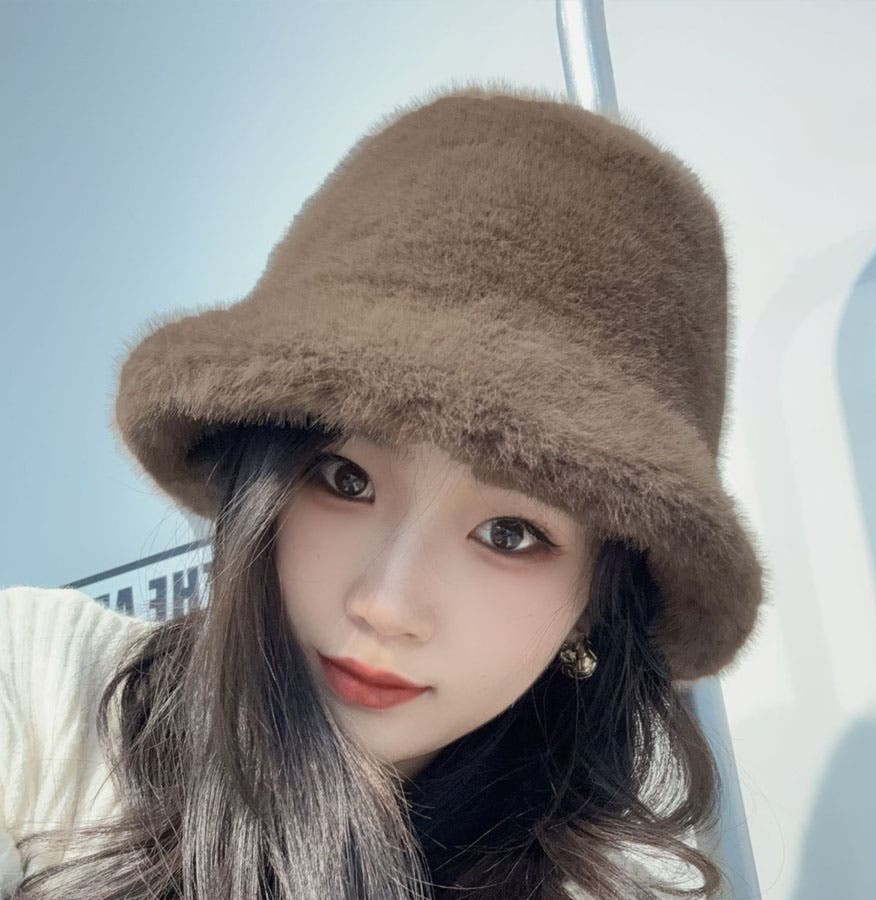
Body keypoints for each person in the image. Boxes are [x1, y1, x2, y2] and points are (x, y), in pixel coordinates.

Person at [0, 79, 767, 899]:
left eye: (510, 534)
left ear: (595, 602)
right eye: (347, 478)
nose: (387, 605)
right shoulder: (43, 691)